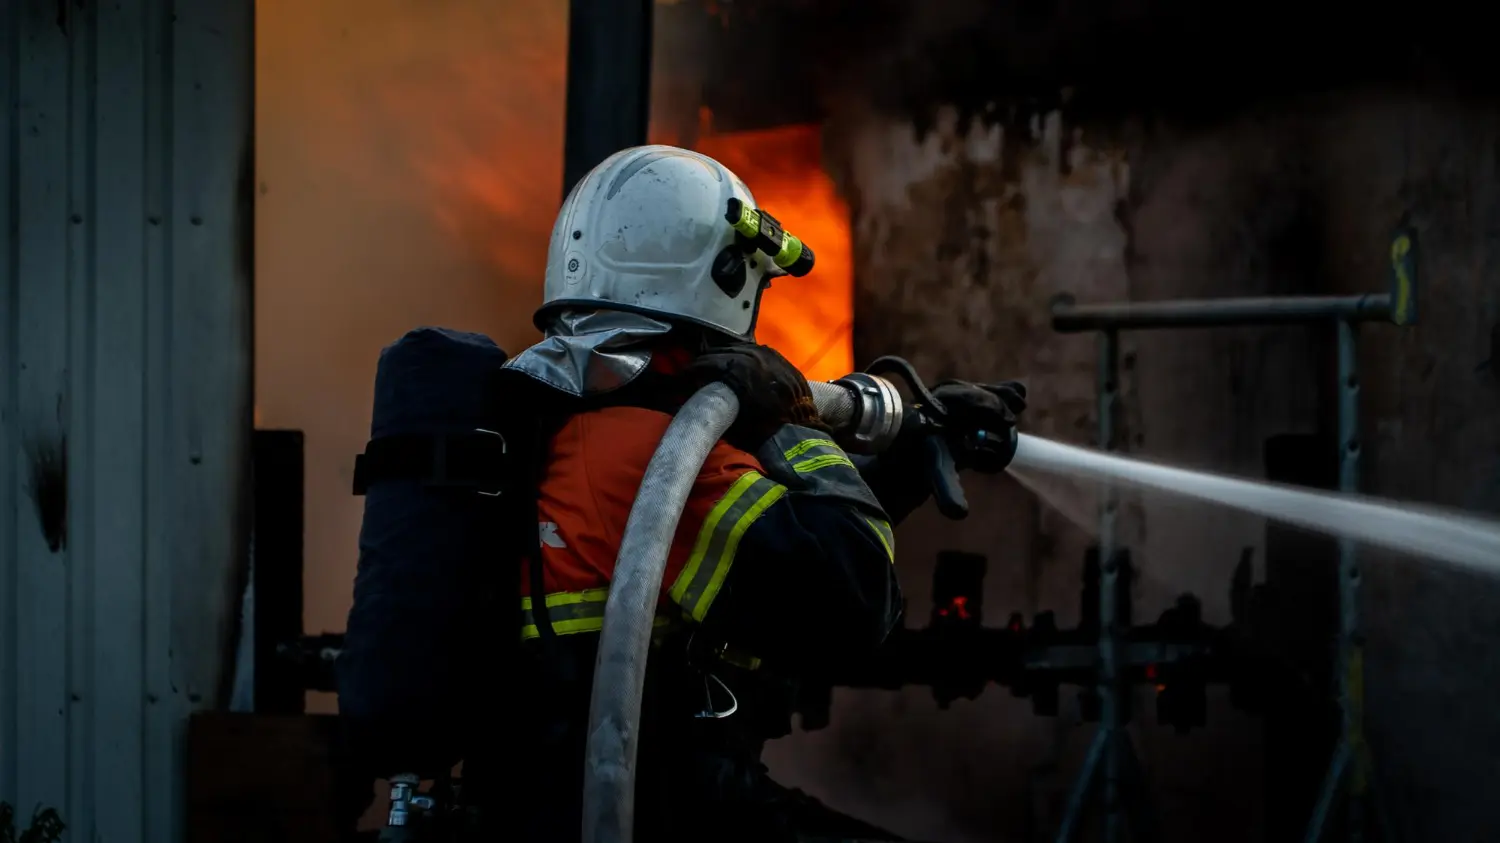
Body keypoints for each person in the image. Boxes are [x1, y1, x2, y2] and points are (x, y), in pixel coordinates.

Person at [462, 145, 1027, 843]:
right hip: (656, 814)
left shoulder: (584, 421)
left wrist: (908, 463)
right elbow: (850, 598)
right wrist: (782, 414)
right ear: (725, 276)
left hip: (612, 800)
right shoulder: (645, 452)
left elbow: (783, 559)